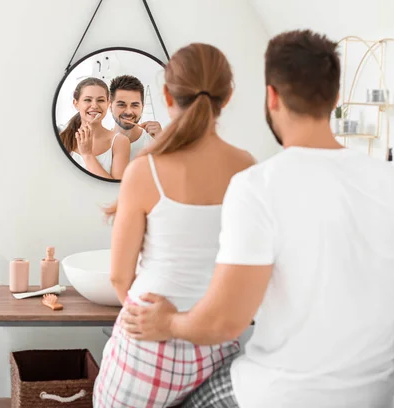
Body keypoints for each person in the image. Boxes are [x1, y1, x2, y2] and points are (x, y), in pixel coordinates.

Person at [121, 29, 394, 408]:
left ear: (271, 95)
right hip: (375, 391)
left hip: (284, 393)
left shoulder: (258, 185)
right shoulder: (388, 180)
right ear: (336, 99)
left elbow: (224, 323)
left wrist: (168, 323)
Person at [92, 43, 256, 408]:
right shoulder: (247, 168)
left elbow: (119, 278)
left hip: (146, 352)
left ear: (166, 95)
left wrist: (145, 317)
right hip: (212, 344)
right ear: (226, 98)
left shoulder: (144, 170)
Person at [59, 77, 130, 179]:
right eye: (87, 100)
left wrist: (87, 154)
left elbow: (114, 189)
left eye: (100, 100)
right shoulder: (62, 138)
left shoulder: (120, 141)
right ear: (76, 104)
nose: (94, 106)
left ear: (108, 104)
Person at [109, 74, 163, 160]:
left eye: (135, 105)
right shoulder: (100, 143)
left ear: (142, 107)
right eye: (121, 105)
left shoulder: (155, 141)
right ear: (110, 107)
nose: (128, 112)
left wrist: (163, 142)